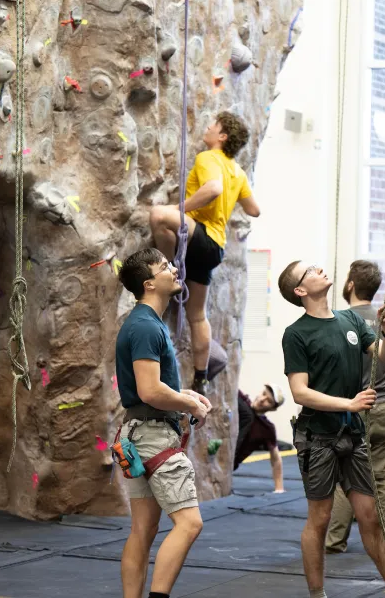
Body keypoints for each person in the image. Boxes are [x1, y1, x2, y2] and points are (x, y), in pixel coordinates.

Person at [279, 261, 385, 598]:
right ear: (300, 290)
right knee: (320, 519)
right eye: (309, 270)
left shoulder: (351, 320)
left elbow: (384, 359)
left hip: (352, 435)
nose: (319, 269)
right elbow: (300, 392)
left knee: (369, 516)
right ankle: (317, 594)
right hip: (318, 438)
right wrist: (349, 404)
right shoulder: (296, 334)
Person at [115, 247, 213, 598]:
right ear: (149, 283)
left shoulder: (145, 323)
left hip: (140, 433)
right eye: (165, 267)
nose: (174, 269)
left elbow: (153, 386)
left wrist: (184, 394)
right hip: (153, 436)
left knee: (143, 529)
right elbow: (150, 390)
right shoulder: (144, 326)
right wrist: (191, 404)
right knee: (189, 523)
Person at [149, 112, 261, 396]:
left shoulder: (208, 158)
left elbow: (212, 188)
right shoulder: (238, 171)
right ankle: (201, 376)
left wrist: (181, 209)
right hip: (215, 248)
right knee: (197, 315)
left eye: (214, 125)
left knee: (160, 215)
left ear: (222, 137)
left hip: (202, 234)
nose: (208, 127)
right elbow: (253, 210)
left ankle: (167, 272)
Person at [326, 260, 385, 555]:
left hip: (354, 405)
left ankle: (334, 540)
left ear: (350, 285)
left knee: (346, 474)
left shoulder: (339, 320)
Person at [234, 383, 287, 493]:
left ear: (273, 409)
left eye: (269, 401)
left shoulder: (266, 428)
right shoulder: (241, 400)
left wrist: (279, 488)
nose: (262, 399)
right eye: (263, 394)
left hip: (227, 466)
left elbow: (276, 458)